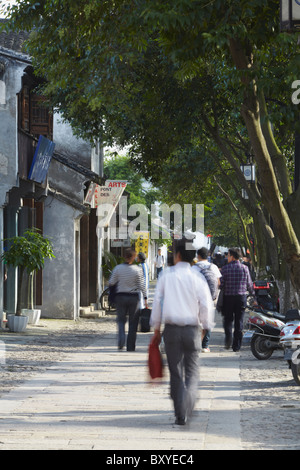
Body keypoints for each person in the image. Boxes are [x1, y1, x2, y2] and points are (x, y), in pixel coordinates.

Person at [150, 240, 215, 425]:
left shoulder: (166, 276)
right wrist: (205, 327)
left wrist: (156, 329)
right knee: (192, 372)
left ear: (177, 255)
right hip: (192, 330)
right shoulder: (198, 278)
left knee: (176, 373)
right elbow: (206, 305)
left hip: (171, 330)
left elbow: (157, 303)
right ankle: (189, 402)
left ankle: (180, 413)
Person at [109, 248, 148, 351]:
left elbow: (111, 282)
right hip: (133, 298)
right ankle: (130, 346)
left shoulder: (118, 268)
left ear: (124, 256)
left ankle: (121, 340)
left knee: (121, 320)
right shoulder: (137, 269)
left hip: (120, 297)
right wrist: (145, 298)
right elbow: (141, 285)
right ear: (134, 257)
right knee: (133, 322)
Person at [220, 247, 254, 352]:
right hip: (241, 298)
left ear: (232, 257)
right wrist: (254, 296)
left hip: (228, 298)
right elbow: (249, 284)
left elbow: (221, 284)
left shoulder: (225, 269)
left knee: (228, 320)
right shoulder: (245, 268)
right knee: (239, 321)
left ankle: (228, 337)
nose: (227, 258)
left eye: (228, 255)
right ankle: (237, 345)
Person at [193, 247, 221, 353]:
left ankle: (195, 343)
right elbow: (218, 283)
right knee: (207, 321)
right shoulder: (213, 267)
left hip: (196, 299)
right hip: (209, 298)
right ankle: (205, 346)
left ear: (198, 256)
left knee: (196, 321)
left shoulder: (193, 268)